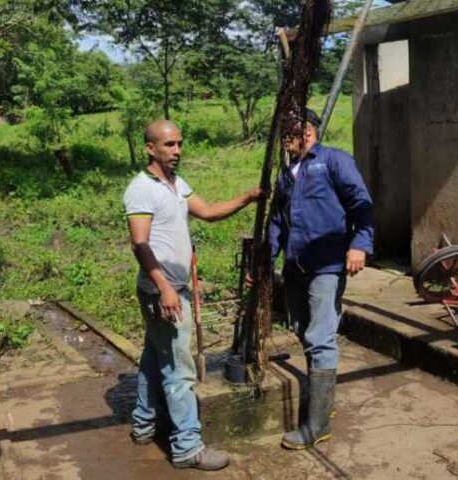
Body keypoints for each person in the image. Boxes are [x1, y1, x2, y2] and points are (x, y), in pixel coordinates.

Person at [123, 119, 261, 470]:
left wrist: (248, 197)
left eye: (179, 144)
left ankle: (143, 424)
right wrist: (166, 287)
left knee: (155, 357)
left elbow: (209, 212)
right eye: (169, 145)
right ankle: (187, 447)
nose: (177, 151)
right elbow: (140, 244)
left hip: (171, 288)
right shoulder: (142, 189)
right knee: (179, 369)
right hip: (162, 292)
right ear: (150, 149)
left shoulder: (175, 184)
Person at [269, 109, 373, 450]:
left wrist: (360, 243)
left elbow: (361, 203)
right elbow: (276, 222)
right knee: (300, 328)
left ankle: (317, 425)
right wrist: (267, 259)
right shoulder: (286, 174)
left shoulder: (333, 161)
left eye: (293, 131)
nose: (288, 139)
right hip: (296, 266)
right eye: (284, 133)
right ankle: (324, 402)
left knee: (320, 337)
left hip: (326, 265)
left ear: (310, 132)